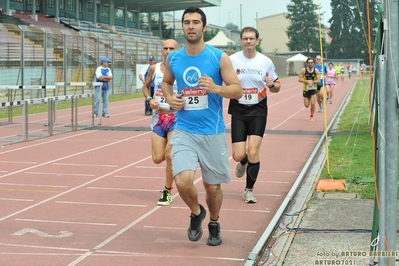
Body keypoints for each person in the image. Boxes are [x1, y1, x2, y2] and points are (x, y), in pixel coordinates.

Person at [161, 7, 242, 246]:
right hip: (184, 129)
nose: (191, 26)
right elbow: (167, 83)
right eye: (187, 22)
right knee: (183, 180)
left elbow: (236, 89)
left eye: (196, 22)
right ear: (183, 27)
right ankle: (197, 213)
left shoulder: (218, 57)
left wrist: (216, 88)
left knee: (212, 186)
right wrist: (170, 98)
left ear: (204, 27)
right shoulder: (173, 58)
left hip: (212, 132)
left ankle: (214, 222)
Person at [228, 27, 281, 204]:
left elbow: (277, 87)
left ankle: (249, 190)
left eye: (251, 38)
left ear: (257, 41)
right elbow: (224, 82)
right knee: (238, 154)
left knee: (253, 151)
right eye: (245, 39)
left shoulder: (265, 62)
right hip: (238, 109)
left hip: (258, 109)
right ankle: (242, 162)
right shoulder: (232, 60)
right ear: (241, 41)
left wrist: (272, 85)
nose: (248, 41)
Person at [142, 39, 179, 206]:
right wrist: (149, 99)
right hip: (158, 118)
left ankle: (167, 190)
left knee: (169, 156)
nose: (168, 51)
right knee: (158, 158)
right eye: (166, 48)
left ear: (178, 50)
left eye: (172, 48)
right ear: (162, 50)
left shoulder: (182, 69)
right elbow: (145, 87)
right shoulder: (154, 68)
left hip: (177, 118)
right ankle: (177, 164)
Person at [298, 57, 320, 122]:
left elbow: (318, 80)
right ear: (307, 63)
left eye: (311, 63)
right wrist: (307, 81)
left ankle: (312, 115)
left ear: (313, 63)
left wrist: (312, 82)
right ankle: (309, 99)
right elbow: (299, 79)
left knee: (313, 103)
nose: (310, 64)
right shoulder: (303, 70)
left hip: (313, 89)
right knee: (307, 105)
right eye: (309, 63)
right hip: (306, 90)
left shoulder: (316, 71)